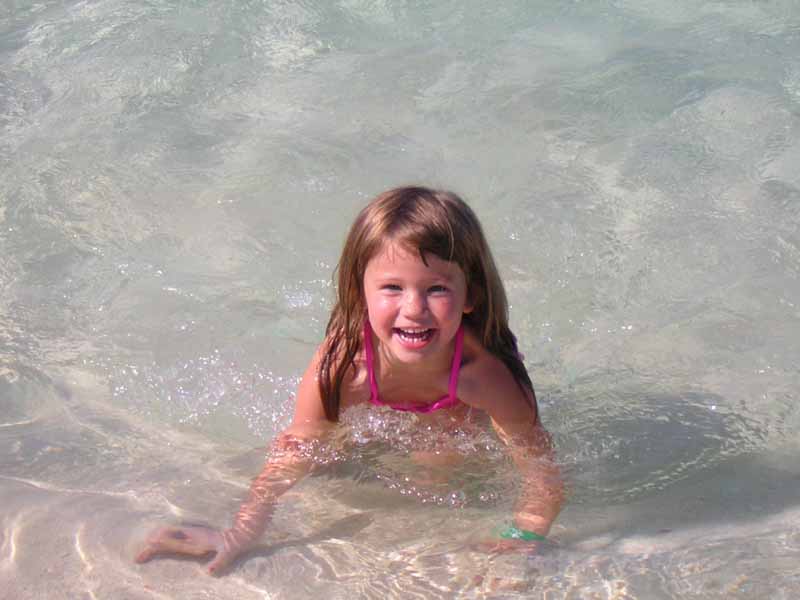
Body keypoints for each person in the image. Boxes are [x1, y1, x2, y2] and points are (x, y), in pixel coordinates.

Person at [135, 186, 564, 575]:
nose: (413, 308)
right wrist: (242, 531)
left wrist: (522, 537)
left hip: (452, 420)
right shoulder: (344, 367)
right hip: (374, 410)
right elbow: (296, 450)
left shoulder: (484, 376)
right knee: (324, 467)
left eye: (436, 289)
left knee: (438, 471)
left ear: (470, 295)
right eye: (392, 287)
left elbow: (541, 472)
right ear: (360, 293)